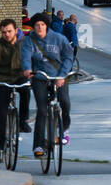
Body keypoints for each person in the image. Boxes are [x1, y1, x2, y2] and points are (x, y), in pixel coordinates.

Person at [21, 12, 74, 159]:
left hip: (58, 76)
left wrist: (62, 75)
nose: (39, 27)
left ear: (47, 26)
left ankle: (65, 129)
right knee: (42, 110)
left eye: (42, 25)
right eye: (36, 25)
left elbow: (68, 57)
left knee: (65, 101)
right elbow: (25, 55)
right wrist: (27, 69)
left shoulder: (59, 39)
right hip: (39, 77)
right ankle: (38, 145)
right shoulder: (29, 40)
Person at [0, 19, 31, 164]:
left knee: (26, 91)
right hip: (3, 79)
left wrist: (32, 72)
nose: (6, 34)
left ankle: (23, 120)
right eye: (3, 32)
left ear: (16, 30)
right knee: (2, 114)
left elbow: (33, 58)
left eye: (9, 31)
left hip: (20, 76)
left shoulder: (25, 43)